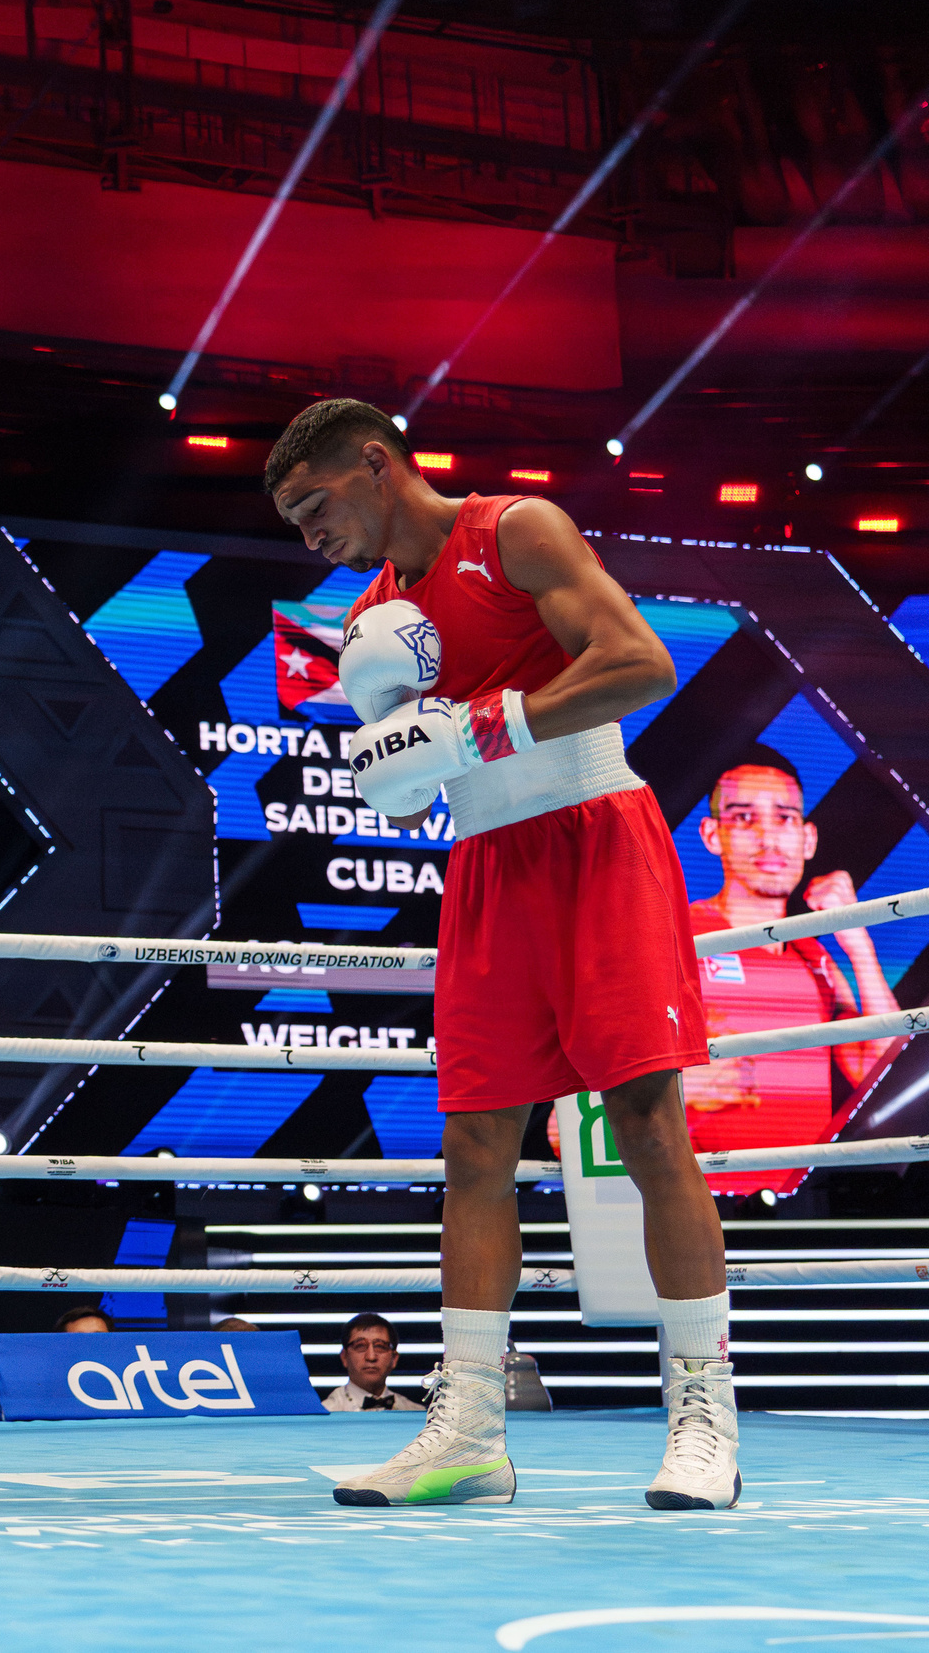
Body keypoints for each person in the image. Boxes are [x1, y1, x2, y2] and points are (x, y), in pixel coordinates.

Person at [271, 398, 737, 1512]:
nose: (307, 538)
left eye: (312, 506)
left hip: (593, 840)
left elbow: (639, 664)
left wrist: (485, 724)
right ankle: (469, 1430)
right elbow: (402, 782)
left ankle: (701, 1421)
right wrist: (392, 764)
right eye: (290, 522)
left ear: (375, 466)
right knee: (475, 1145)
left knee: (645, 1124)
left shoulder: (515, 532)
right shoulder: (375, 616)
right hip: (486, 867)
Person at [684, 746, 902, 1178]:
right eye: (745, 818)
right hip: (706, 1202)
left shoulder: (815, 956)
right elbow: (578, 1111)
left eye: (785, 817)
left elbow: (882, 1072)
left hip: (801, 1202)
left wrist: (858, 941)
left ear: (807, 839)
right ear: (712, 835)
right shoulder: (680, 935)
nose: (769, 838)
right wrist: (674, 1090)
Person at [321, 1313, 422, 1411]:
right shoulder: (325, 1415)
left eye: (380, 1346)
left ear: (394, 1359)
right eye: (360, 1346)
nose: (371, 1357)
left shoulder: (418, 1415)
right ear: (344, 1357)